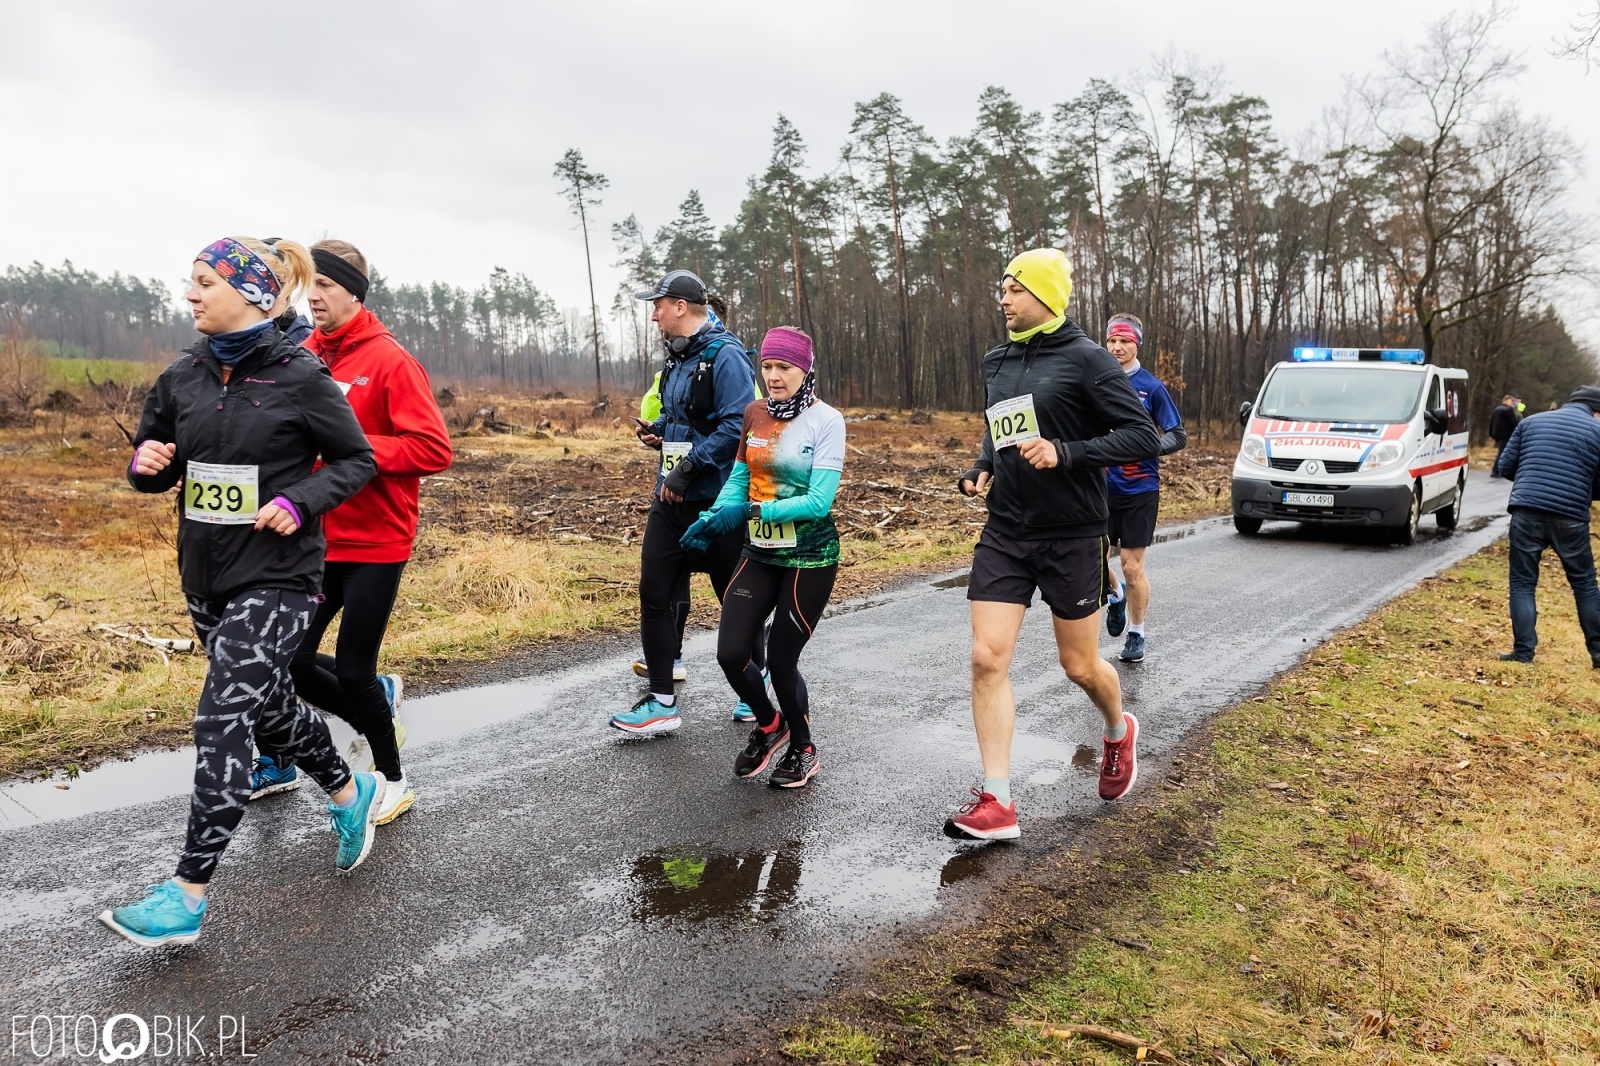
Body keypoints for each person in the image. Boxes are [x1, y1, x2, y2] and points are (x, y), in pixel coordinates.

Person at [99, 237, 382, 948]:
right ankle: (352, 794)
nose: (190, 294)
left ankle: (186, 895)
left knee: (222, 717)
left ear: (253, 295)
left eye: (204, 282)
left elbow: (356, 460)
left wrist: (302, 500)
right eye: (189, 282)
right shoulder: (181, 376)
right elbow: (156, 463)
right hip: (206, 576)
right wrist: (146, 464)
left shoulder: (300, 375)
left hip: (280, 577)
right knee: (270, 709)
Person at [946, 249, 1160, 841]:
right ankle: (998, 801)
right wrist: (982, 466)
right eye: (1002, 288)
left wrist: (1068, 452)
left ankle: (1118, 731)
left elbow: (1141, 435)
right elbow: (1000, 428)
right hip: (1006, 530)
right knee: (987, 658)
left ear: (1044, 294)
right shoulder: (997, 359)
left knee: (1079, 666)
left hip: (1072, 532)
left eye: (1013, 288)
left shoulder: (1088, 359)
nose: (1003, 298)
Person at [254, 240, 452, 827]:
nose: (311, 297)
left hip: (376, 540)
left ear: (353, 293)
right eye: (305, 286)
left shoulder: (390, 360)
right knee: (288, 660)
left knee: (354, 666)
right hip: (315, 537)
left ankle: (392, 781)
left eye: (324, 287)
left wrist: (353, 451)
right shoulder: (304, 354)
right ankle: (377, 718)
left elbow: (432, 448)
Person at [686, 326, 845, 788]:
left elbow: (819, 501)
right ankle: (769, 724)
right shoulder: (755, 413)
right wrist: (716, 513)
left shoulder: (826, 421)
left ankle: (803, 747)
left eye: (785, 368)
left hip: (809, 556)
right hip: (759, 550)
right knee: (730, 652)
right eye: (768, 367)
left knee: (780, 659)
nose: (774, 377)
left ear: (805, 369)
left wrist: (752, 510)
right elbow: (740, 477)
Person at [610, 270, 765, 735]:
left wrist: (689, 466)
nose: (653, 315)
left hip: (717, 502)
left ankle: (755, 691)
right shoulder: (676, 358)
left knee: (736, 602)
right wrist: (661, 437)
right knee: (654, 592)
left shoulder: (727, 355)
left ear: (680, 306)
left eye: (658, 305)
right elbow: (688, 422)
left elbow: (738, 424)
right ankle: (661, 702)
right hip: (671, 497)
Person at [1493, 385, 1600, 666]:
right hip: (1571, 516)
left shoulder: (1530, 421)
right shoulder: (1597, 431)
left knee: (1522, 582)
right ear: (1596, 411)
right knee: (1585, 584)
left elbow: (1506, 466)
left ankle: (1523, 653)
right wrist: (1583, 489)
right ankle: (1599, 654)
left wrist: (1532, 480)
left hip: (1526, 510)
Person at [1100, 314, 1186, 662]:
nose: (1118, 347)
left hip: (1139, 489)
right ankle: (1115, 595)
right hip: (1099, 487)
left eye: (1125, 341)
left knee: (1133, 568)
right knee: (1092, 558)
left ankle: (1137, 633)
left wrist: (1145, 447)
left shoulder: (1152, 388)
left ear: (1137, 344)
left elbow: (1177, 435)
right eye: (1112, 341)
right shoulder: (1095, 383)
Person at [1488, 395, 1520, 478]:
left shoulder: (1497, 409)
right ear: (1507, 401)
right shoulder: (1508, 410)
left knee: (1500, 452)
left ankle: (1496, 470)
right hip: (1506, 435)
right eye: (1512, 402)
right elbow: (1513, 423)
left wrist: (1491, 434)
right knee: (1502, 453)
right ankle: (1496, 470)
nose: (1513, 404)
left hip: (1497, 434)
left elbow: (1491, 422)